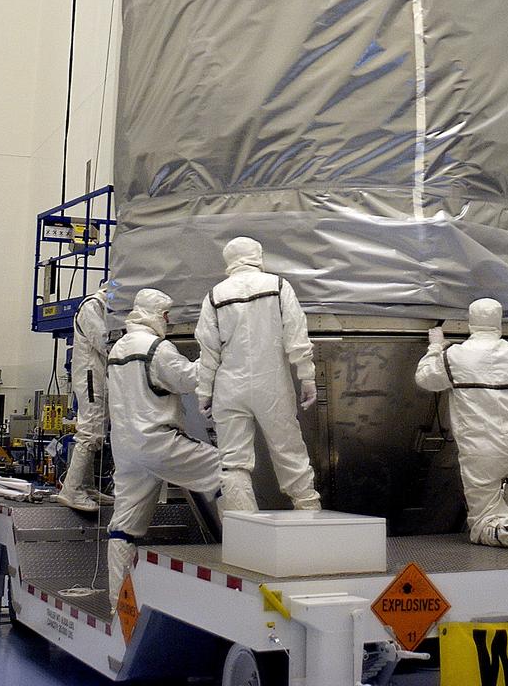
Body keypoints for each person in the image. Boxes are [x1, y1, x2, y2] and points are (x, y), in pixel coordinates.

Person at [415, 298, 508, 551]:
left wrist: (435, 348)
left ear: (471, 322)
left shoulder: (456, 355)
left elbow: (425, 378)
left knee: (483, 520)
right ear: (499, 320)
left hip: (482, 451)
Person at [106, 288, 223, 614]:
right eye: (166, 315)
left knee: (123, 527)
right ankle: (241, 553)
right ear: (158, 314)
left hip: (126, 448)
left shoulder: (118, 348)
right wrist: (214, 353)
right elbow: (190, 379)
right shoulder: (156, 348)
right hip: (159, 442)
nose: (169, 321)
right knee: (226, 472)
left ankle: (118, 605)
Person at [195, 237, 320, 513]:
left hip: (229, 387)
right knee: (289, 451)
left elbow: (208, 351)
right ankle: (308, 516)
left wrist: (204, 392)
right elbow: (296, 335)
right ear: (257, 255)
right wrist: (307, 376)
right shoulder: (277, 286)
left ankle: (242, 530)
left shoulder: (215, 295)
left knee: (233, 462)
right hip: (271, 382)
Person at [54, 281, 112, 512]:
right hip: (91, 375)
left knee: (98, 429)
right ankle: (71, 489)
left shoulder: (106, 308)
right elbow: (103, 341)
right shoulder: (92, 305)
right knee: (90, 431)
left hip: (100, 375)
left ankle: (85, 486)